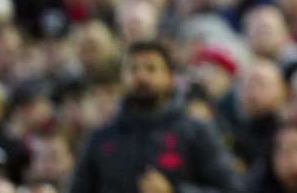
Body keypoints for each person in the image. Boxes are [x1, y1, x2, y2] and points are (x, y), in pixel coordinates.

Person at [67, 41, 240, 193]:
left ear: (170, 77)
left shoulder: (197, 131)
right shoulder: (100, 138)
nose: (141, 76)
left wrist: (176, 191)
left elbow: (232, 189)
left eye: (151, 68)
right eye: (133, 69)